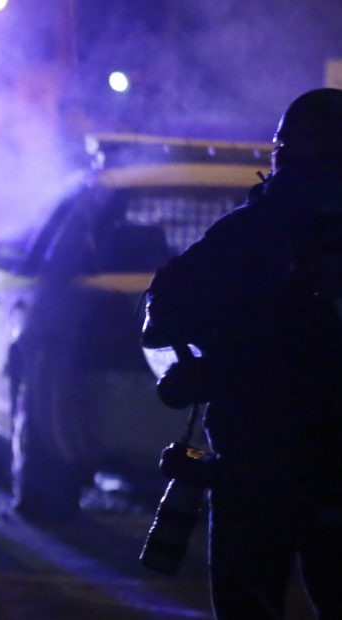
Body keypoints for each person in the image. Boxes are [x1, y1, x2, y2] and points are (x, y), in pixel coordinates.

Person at [142, 88, 342, 618]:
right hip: (270, 465)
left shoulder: (249, 234)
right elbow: (161, 318)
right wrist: (182, 372)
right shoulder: (249, 235)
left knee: (247, 601)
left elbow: (162, 314)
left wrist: (184, 374)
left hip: (257, 465)